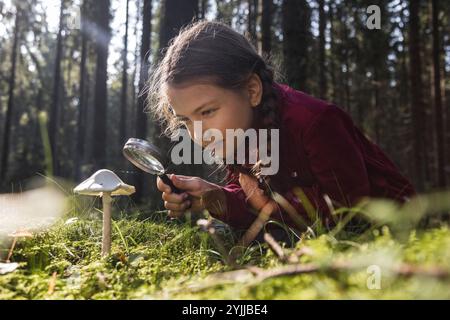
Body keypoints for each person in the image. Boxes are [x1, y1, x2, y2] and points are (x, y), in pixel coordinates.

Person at [146, 21, 416, 235]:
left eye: (207, 111)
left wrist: (271, 209)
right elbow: (251, 199)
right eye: (186, 120)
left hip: (402, 231)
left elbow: (350, 209)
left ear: (252, 90)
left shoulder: (316, 122)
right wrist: (214, 198)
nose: (198, 134)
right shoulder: (237, 136)